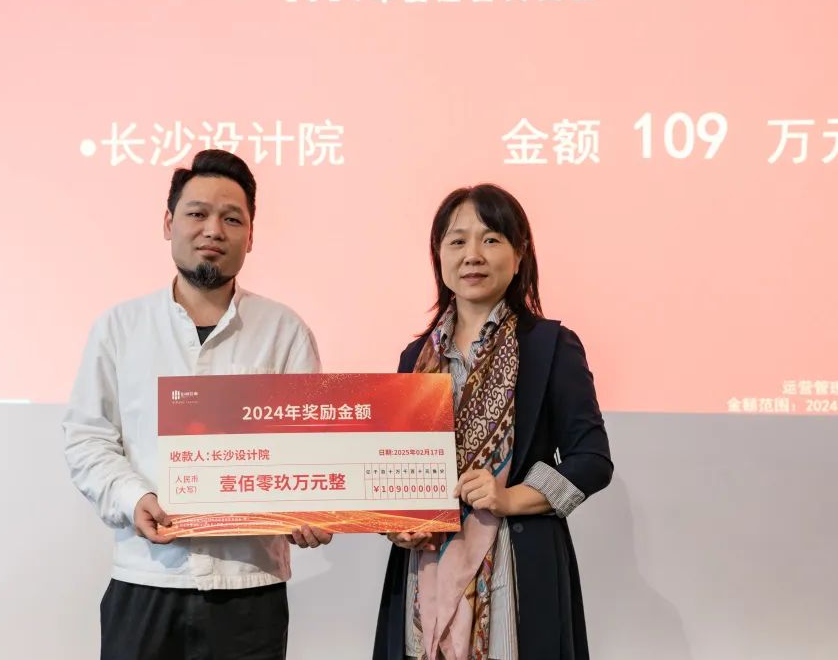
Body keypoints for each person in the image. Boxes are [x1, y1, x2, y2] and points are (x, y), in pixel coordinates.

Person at [63, 149, 330, 660]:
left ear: (251, 235)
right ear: (169, 223)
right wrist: (133, 498)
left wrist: (314, 509)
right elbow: (87, 438)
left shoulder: (284, 331)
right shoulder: (120, 327)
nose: (213, 230)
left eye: (232, 218)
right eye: (197, 213)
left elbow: (311, 447)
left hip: (249, 585)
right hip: (145, 578)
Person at [373, 184, 613, 660]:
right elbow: (392, 471)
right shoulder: (414, 358)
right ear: (439, 255)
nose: (473, 255)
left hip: (513, 572)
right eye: (457, 241)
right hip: (424, 573)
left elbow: (591, 461)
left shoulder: (549, 346)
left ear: (520, 255)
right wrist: (395, 522)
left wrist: (511, 497)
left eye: (491, 239)